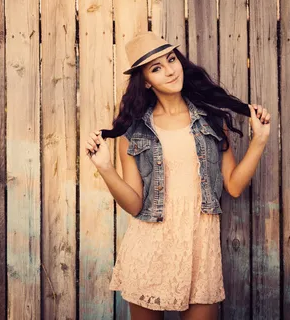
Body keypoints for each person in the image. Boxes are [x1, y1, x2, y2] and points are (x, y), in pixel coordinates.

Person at [84, 32, 271, 320]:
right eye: (156, 68)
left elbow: (233, 186)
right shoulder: (134, 132)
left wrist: (259, 141)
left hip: (199, 248)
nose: (170, 70)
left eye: (171, 59)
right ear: (146, 81)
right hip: (149, 247)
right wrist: (106, 169)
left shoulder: (211, 120)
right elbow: (135, 205)